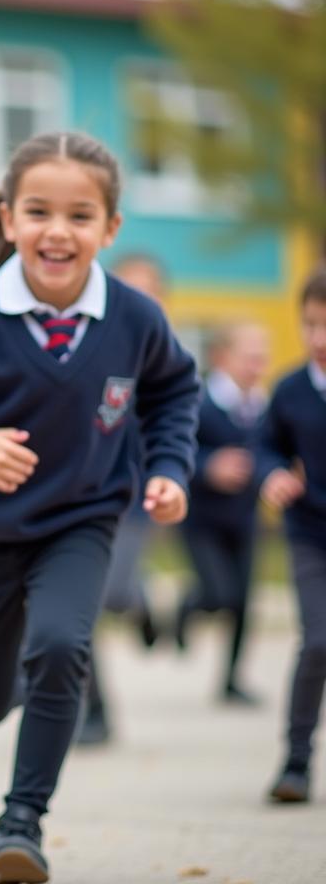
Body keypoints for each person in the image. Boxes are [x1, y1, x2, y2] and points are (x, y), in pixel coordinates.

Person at [0, 131, 200, 884]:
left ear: (109, 230)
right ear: (10, 220)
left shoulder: (136, 318)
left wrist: (172, 469)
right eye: (40, 212)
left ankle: (22, 823)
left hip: (83, 521)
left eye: (81, 216)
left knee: (60, 647)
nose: (59, 231)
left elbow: (176, 392)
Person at [77, 253, 168, 745]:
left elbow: (179, 424)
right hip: (88, 496)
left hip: (137, 499)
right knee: (83, 602)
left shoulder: (167, 356)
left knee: (113, 594)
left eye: (145, 289)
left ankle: (142, 597)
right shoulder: (97, 345)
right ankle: (96, 709)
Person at [175, 321, 270, 705]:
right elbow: (177, 449)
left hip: (245, 518)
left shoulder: (264, 406)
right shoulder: (200, 402)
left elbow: (274, 449)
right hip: (202, 520)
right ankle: (187, 605)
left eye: (261, 358)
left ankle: (231, 680)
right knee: (220, 593)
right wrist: (209, 465)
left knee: (245, 603)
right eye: (247, 357)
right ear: (221, 357)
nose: (255, 366)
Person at [259, 267, 326, 805]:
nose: (319, 339)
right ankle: (296, 762)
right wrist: (272, 473)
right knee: (319, 640)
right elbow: (266, 447)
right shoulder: (291, 389)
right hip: (310, 535)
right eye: (310, 324)